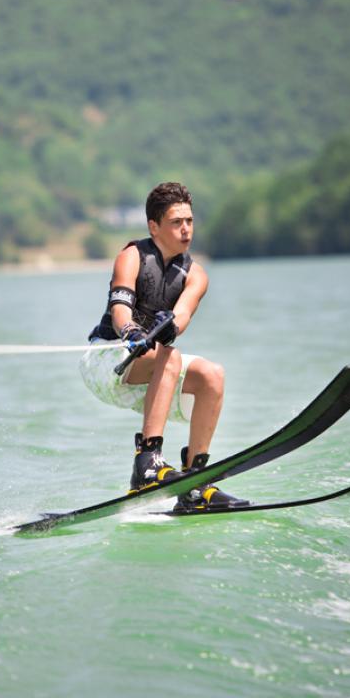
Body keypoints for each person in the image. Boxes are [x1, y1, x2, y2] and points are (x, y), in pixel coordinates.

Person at [80, 181, 248, 511]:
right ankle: (148, 462)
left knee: (212, 375)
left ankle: (195, 484)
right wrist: (129, 329)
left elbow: (182, 315)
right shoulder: (132, 256)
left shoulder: (195, 274)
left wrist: (169, 326)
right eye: (176, 222)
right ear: (154, 226)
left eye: (189, 221)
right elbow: (120, 309)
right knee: (169, 358)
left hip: (152, 369)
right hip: (105, 360)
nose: (186, 229)